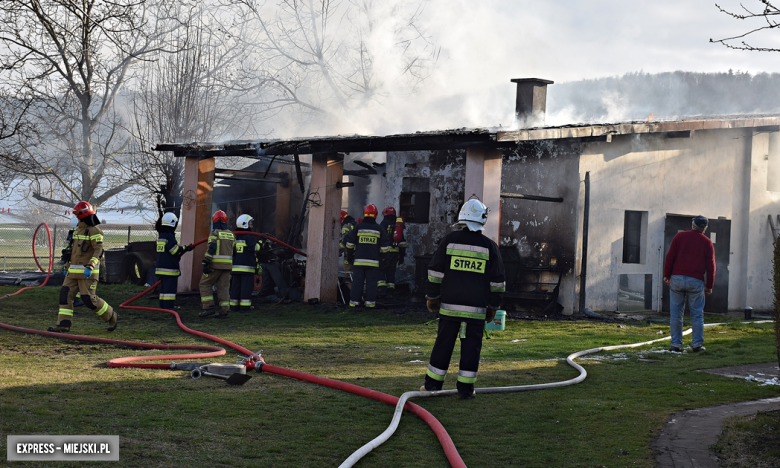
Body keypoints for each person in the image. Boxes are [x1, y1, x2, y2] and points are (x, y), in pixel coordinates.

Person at [422, 198, 505, 399]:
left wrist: (432, 297)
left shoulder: (449, 241)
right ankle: (466, 390)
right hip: (476, 311)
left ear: (462, 217)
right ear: (482, 220)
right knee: (471, 348)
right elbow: (498, 282)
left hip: (449, 308)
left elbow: (435, 272)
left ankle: (433, 386)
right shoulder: (489, 246)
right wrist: (493, 306)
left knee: (443, 344)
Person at [48, 201, 118, 333]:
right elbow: (73, 252)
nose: (76, 216)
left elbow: (98, 250)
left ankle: (111, 316)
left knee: (88, 299)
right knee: (65, 295)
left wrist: (90, 266)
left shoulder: (94, 230)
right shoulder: (77, 230)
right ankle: (63, 324)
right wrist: (67, 266)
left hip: (88, 272)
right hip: (73, 271)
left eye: (77, 214)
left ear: (83, 213)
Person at [663, 215, 715, 353]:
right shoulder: (707, 242)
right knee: (697, 314)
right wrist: (709, 286)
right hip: (696, 281)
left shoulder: (680, 237)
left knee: (676, 314)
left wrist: (667, 276)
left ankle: (676, 345)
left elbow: (670, 257)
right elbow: (711, 266)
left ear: (692, 224)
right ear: (705, 228)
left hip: (677, 279)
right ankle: (697, 345)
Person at [344, 204, 390, 308]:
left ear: (364, 214)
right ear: (376, 215)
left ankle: (354, 303)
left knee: (357, 283)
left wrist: (350, 256)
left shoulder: (358, 227)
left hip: (359, 262)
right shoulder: (379, 229)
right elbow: (384, 247)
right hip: (373, 263)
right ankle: (370, 304)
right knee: (371, 283)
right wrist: (386, 259)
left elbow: (350, 243)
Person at [199, 210, 235, 319]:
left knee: (205, 284)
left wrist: (206, 262)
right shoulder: (231, 235)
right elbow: (234, 249)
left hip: (214, 266)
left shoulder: (214, 233)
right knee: (223, 288)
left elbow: (212, 248)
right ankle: (224, 311)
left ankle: (208, 307)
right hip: (227, 267)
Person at [155, 212, 191, 310]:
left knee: (163, 289)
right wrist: (185, 248)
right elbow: (174, 250)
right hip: (169, 268)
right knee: (169, 289)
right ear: (173, 224)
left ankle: (163, 305)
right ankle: (169, 306)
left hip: (160, 267)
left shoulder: (161, 236)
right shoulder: (169, 236)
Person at [230, 214, 262, 311]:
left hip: (235, 267)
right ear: (245, 224)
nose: (251, 226)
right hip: (246, 267)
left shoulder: (235, 236)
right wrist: (261, 242)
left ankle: (234, 307)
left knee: (235, 287)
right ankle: (245, 307)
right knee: (246, 288)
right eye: (250, 224)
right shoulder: (249, 236)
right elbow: (255, 248)